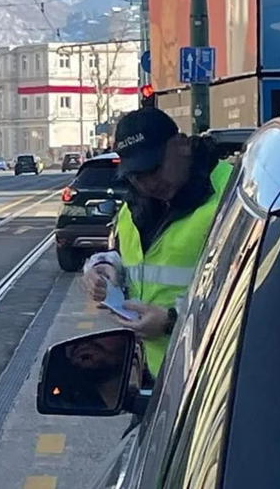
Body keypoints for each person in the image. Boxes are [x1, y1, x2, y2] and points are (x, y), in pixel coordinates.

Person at [82, 106, 233, 378]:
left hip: (215, 379)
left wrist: (171, 322)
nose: (147, 183)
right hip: (161, 377)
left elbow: (243, 296)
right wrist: (106, 268)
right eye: (134, 176)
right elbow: (130, 257)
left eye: (153, 169)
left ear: (182, 146)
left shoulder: (230, 194)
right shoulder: (135, 206)